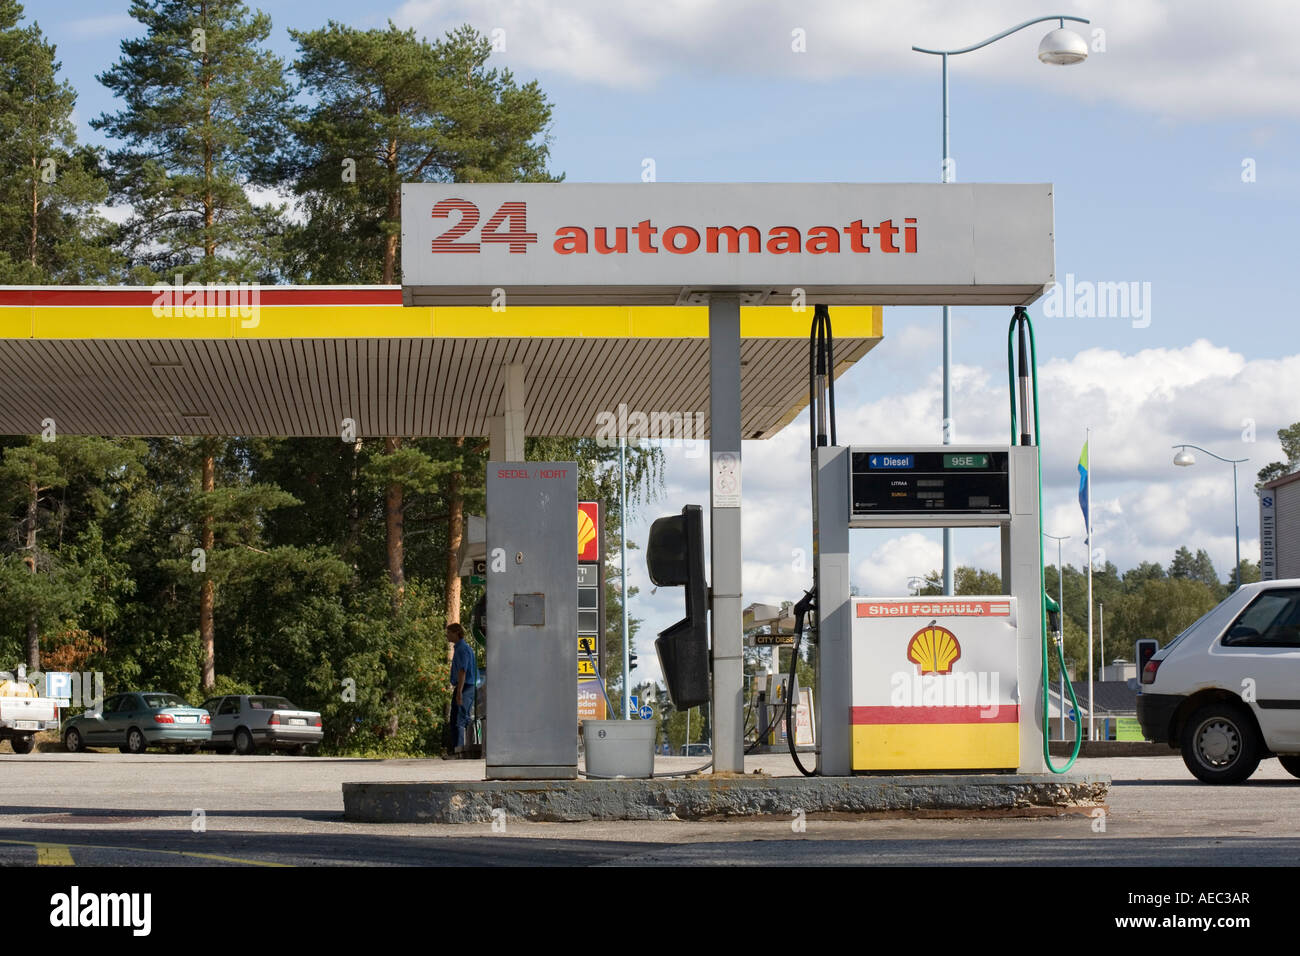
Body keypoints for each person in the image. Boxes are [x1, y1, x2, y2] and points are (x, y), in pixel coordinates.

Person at [446, 622, 478, 750]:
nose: (447, 636)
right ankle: (457, 748)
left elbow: (462, 671)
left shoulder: (463, 649)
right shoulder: (459, 648)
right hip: (461, 686)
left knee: (460, 718)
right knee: (454, 718)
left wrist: (459, 692)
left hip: (466, 687)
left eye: (449, 633)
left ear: (456, 633)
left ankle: (460, 749)